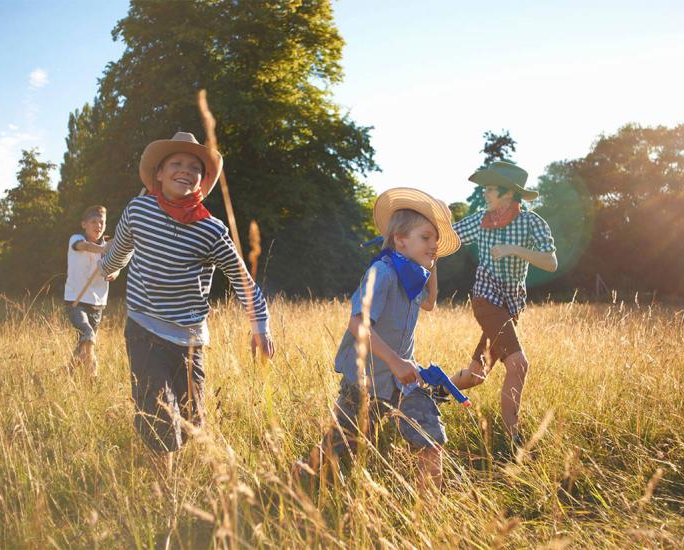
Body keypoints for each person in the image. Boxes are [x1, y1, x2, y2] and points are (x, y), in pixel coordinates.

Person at [100, 132, 274, 473]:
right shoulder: (139, 210)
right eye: (176, 163)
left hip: (190, 338)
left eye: (195, 167)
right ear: (159, 175)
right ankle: (163, 489)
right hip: (143, 326)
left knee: (192, 418)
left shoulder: (211, 230)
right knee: (158, 413)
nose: (186, 170)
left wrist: (260, 326)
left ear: (203, 180)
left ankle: (172, 456)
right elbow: (121, 248)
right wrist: (108, 268)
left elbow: (242, 279)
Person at [299, 187, 460, 489]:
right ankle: (303, 476)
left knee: (430, 437)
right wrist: (396, 361)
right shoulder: (382, 272)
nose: (433, 245)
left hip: (402, 380)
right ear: (400, 240)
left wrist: (432, 264)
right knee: (343, 444)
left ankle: (430, 511)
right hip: (364, 380)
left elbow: (430, 302)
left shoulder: (413, 275)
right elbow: (357, 323)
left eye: (436, 241)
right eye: (426, 238)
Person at [448, 161, 557, 448]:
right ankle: (514, 441)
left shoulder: (532, 222)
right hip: (486, 297)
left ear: (508, 194)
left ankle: (429, 390)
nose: (484, 193)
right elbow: (448, 238)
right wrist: (414, 229)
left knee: (476, 375)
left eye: (490, 188)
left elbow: (550, 262)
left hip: (511, 305)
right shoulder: (479, 219)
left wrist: (513, 249)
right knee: (519, 365)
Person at [64, 205, 119, 376]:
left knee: (83, 347)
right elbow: (84, 246)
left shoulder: (108, 247)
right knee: (88, 335)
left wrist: (114, 273)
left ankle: (67, 374)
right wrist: (103, 249)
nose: (99, 225)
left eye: (102, 222)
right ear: (84, 224)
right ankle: (93, 376)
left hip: (98, 303)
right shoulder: (76, 239)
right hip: (76, 300)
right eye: (94, 221)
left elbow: (116, 267)